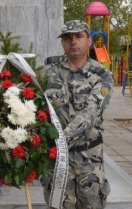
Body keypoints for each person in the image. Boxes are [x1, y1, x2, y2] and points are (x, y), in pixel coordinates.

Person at [43, 20, 114, 208]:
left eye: (78, 36)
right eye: (67, 37)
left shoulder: (102, 75)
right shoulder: (48, 72)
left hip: (88, 160)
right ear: (62, 42)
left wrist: (60, 139)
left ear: (89, 41)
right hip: (57, 162)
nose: (73, 41)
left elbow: (90, 113)